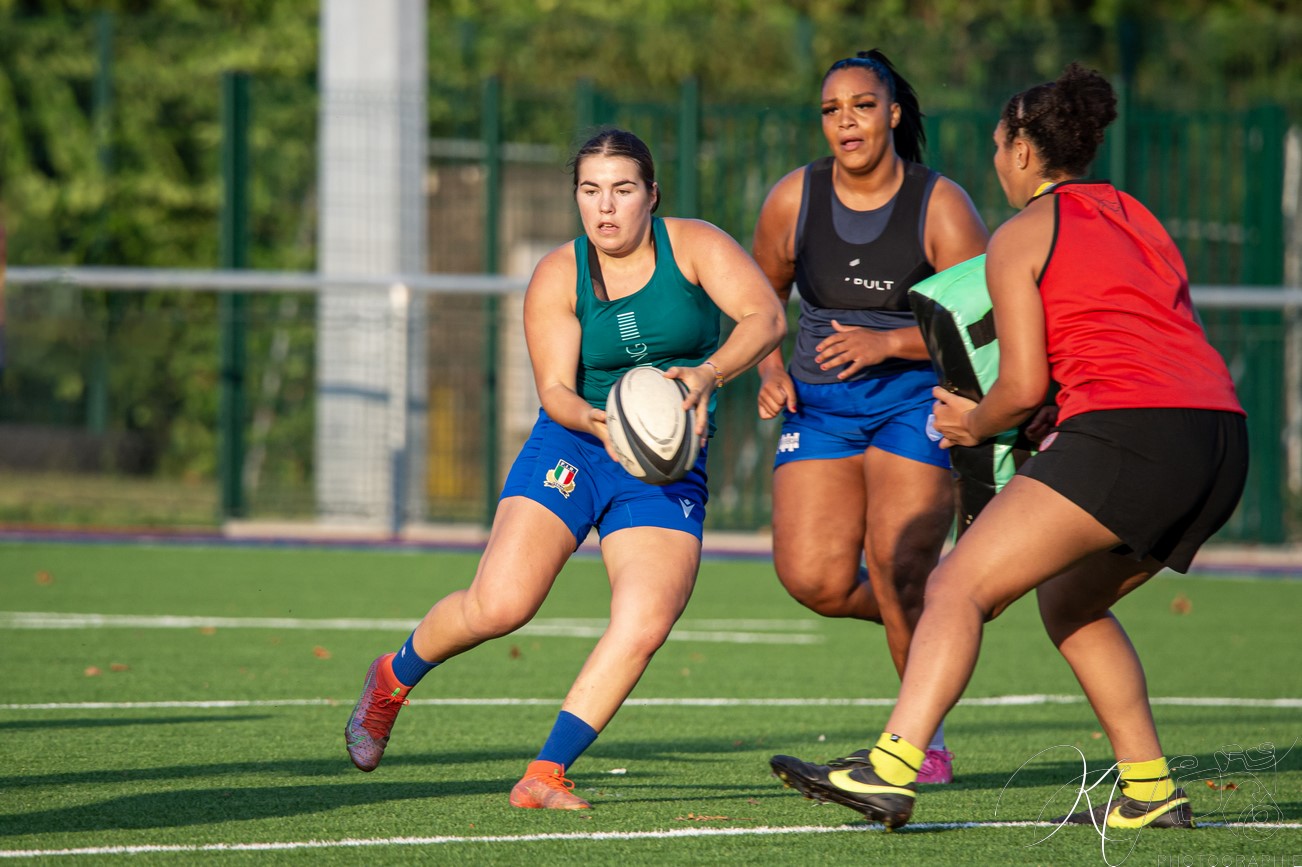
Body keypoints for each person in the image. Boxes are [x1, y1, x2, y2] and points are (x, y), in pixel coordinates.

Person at [769, 62, 1248, 832]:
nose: (995, 158)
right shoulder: (1137, 214)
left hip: (1130, 429)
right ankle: (1150, 788)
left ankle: (890, 766)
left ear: (1024, 151)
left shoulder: (1021, 233)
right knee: (1071, 600)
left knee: (957, 585)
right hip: (1221, 435)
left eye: (999, 143)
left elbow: (1022, 388)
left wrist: (973, 423)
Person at [344, 128, 787, 811]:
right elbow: (554, 390)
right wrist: (603, 423)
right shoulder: (560, 272)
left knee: (645, 618)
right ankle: (391, 676)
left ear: (652, 195)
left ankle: (544, 772)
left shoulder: (694, 244)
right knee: (500, 605)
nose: (605, 206)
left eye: (622, 189)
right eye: (590, 190)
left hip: (663, 463)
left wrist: (706, 375)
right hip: (576, 441)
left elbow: (765, 316)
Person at [751, 49, 989, 784]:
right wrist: (766, 366)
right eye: (831, 109)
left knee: (896, 559)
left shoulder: (940, 204)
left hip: (915, 400)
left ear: (892, 113)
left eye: (860, 105)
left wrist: (887, 338)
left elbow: (982, 321)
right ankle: (934, 613)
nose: (845, 122)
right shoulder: (795, 197)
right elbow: (759, 298)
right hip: (820, 405)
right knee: (813, 578)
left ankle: (926, 741)